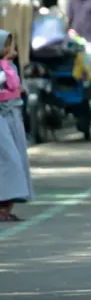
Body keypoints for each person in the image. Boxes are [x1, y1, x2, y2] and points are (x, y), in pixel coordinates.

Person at [0, 30, 32, 222]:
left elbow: (15, 84)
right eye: (5, 46)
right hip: (2, 119)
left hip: (12, 119)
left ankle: (6, 207)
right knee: (9, 161)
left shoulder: (8, 66)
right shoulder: (4, 68)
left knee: (17, 160)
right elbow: (8, 83)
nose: (8, 50)